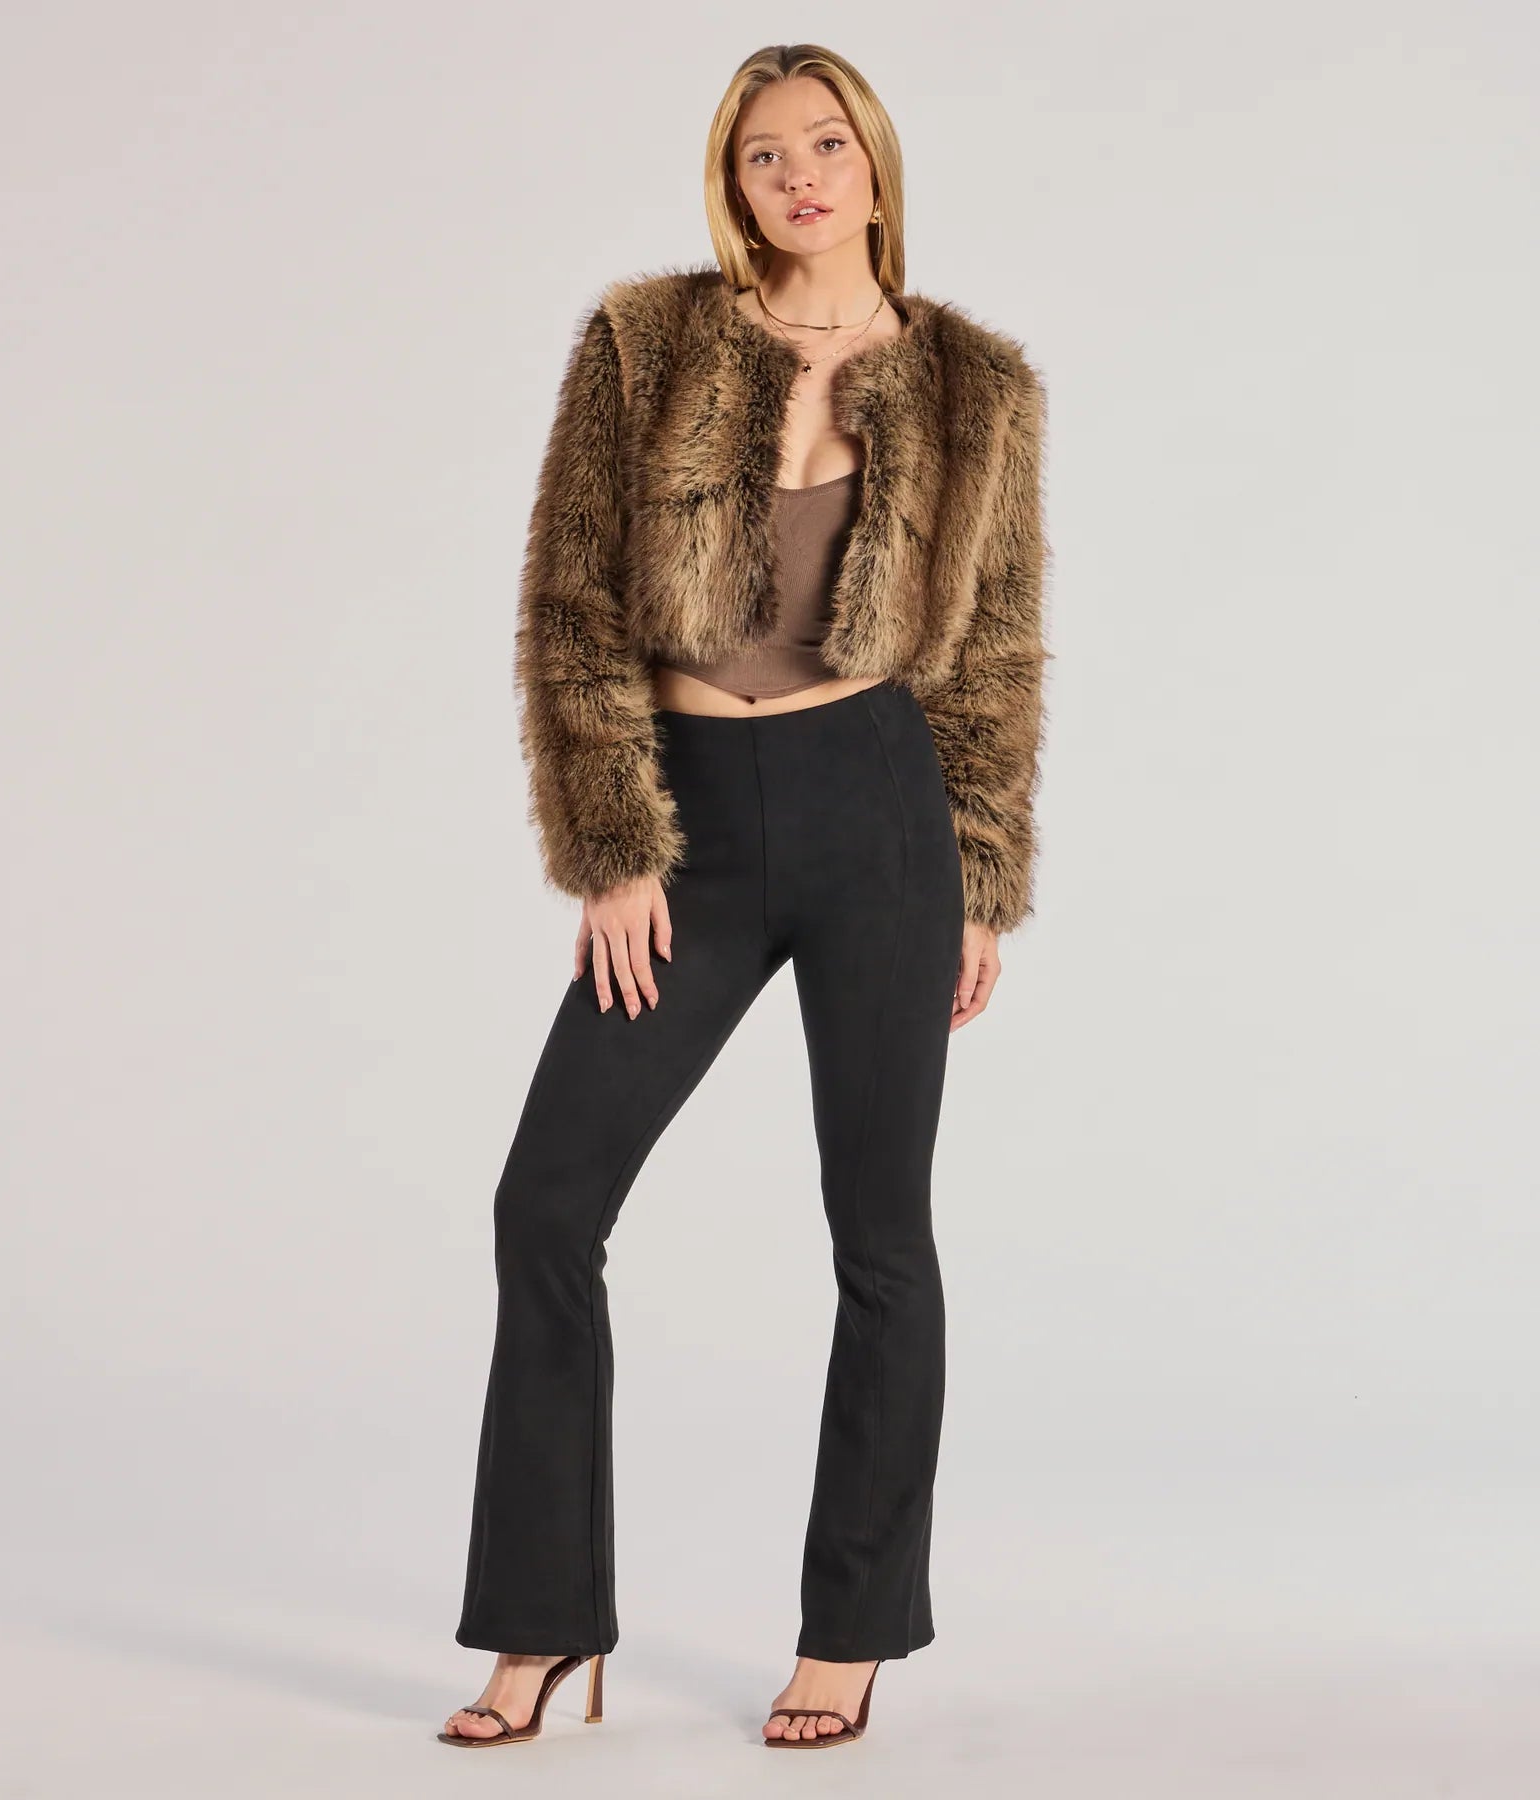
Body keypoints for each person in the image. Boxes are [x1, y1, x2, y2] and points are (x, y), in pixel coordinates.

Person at [440, 41, 1050, 1752]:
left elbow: (993, 650)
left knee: (880, 1236)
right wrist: (611, 844)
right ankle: (541, 1625)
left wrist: (978, 876)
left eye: (825, 143)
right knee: (546, 1205)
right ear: (733, 179)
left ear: (873, 162)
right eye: (765, 153)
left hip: (879, 816)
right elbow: (570, 603)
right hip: (687, 820)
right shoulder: (644, 343)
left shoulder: (978, 383)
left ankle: (851, 1629)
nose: (799, 177)